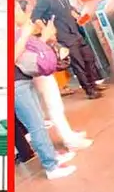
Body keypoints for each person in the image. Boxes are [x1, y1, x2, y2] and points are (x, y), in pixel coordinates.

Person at [14, 4, 77, 180]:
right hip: (16, 84)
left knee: (38, 123)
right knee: (36, 126)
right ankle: (51, 166)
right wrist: (28, 34)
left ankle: (53, 157)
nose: (23, 13)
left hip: (22, 80)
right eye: (18, 9)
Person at [30, 0, 106, 100]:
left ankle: (93, 83)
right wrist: (47, 30)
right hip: (64, 36)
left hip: (75, 32)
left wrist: (79, 17)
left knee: (89, 58)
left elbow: (68, 8)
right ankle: (89, 90)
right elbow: (35, 17)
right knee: (79, 64)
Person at [26, 18, 93, 151]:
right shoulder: (18, 31)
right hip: (36, 68)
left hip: (38, 67)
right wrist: (44, 37)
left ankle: (68, 134)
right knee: (53, 105)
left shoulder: (24, 27)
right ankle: (69, 139)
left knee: (55, 104)